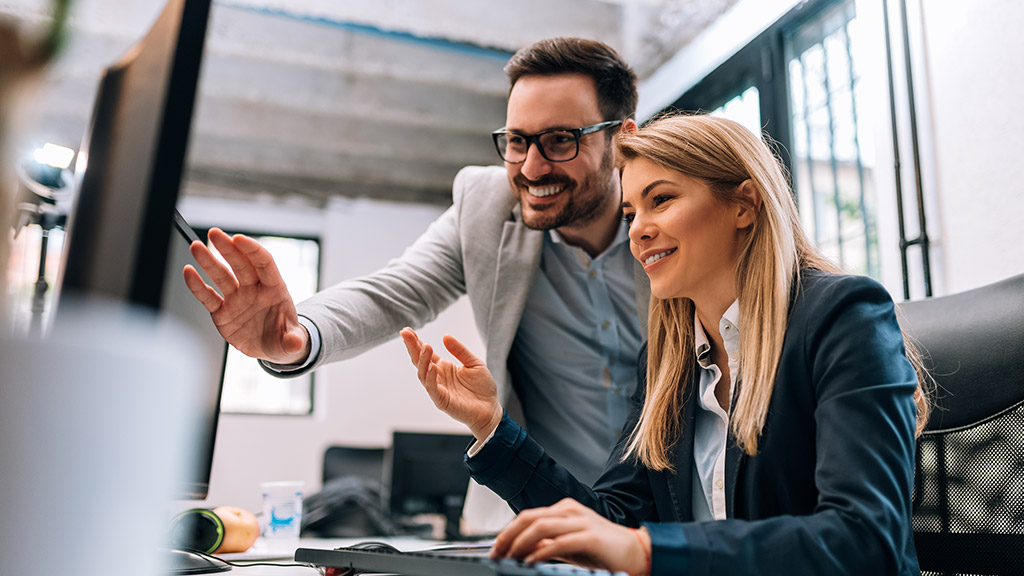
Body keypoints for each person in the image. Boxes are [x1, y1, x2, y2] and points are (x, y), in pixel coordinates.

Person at [399, 113, 931, 575]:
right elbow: (612, 522)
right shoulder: (667, 361)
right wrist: (492, 427)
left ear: (744, 205)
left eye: (662, 201)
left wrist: (646, 551)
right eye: (631, 213)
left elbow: (866, 540)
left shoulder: (844, 318)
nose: (638, 231)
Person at [182, 37, 650, 525]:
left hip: (674, 515)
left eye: (560, 141)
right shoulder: (487, 207)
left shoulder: (673, 218)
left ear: (621, 139)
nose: (531, 167)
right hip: (541, 516)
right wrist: (298, 335)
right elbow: (394, 293)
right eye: (516, 141)